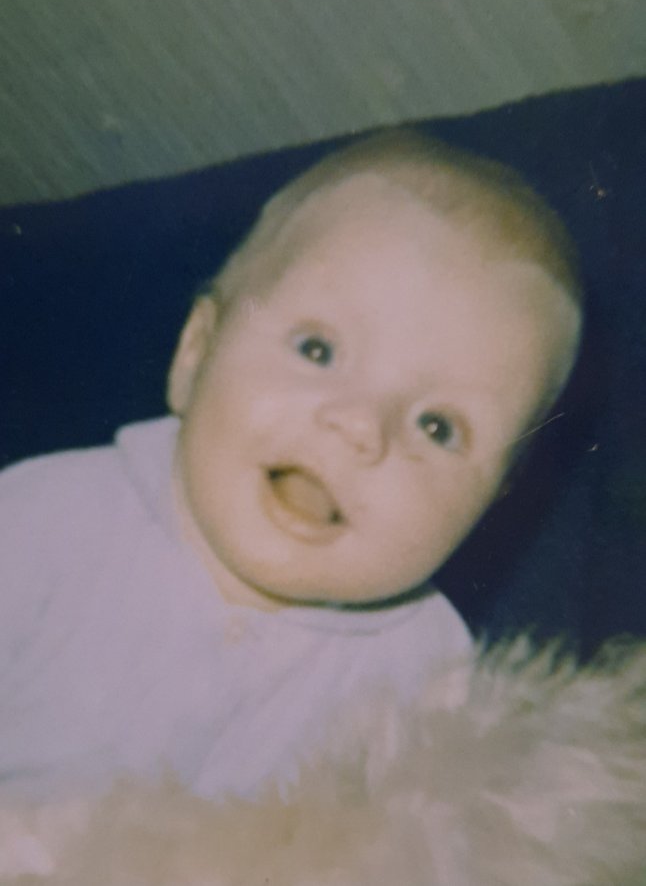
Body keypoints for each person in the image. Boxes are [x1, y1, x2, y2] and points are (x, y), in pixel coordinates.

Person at [0, 130, 582, 804]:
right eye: (317, 350)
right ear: (195, 353)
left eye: (437, 426)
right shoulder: (50, 520)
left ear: (491, 503)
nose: (360, 426)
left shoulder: (430, 679)